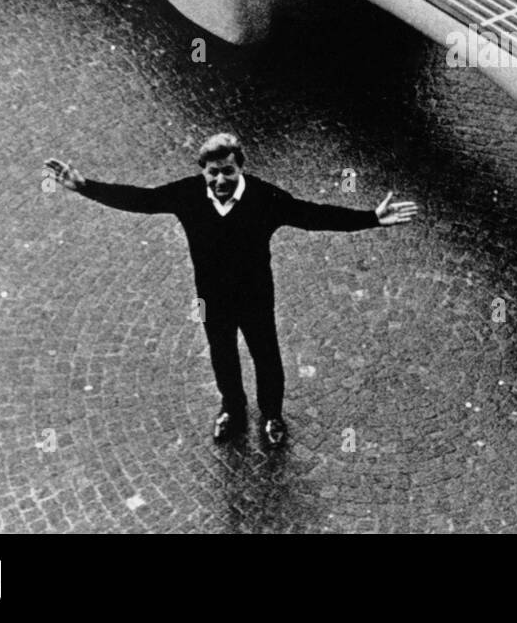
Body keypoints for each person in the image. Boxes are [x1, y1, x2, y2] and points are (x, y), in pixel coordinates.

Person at [44, 133, 418, 448]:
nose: (220, 180)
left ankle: (271, 416)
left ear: (241, 168)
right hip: (210, 298)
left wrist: (370, 218)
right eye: (212, 172)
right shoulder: (187, 194)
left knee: (266, 357)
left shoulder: (265, 199)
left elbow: (314, 215)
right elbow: (140, 200)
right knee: (222, 354)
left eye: (228, 171)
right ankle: (232, 411)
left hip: (255, 295)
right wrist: (85, 188)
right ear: (202, 171)